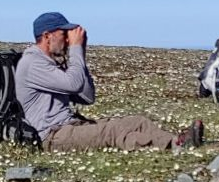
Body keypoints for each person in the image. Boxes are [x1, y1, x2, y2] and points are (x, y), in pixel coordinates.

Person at [16, 12, 203, 151]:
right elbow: (73, 84)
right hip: (52, 136)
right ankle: (175, 145)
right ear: (47, 36)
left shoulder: (49, 63)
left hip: (68, 126)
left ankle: (178, 141)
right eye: (63, 33)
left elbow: (87, 97)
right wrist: (75, 49)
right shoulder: (33, 63)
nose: (67, 38)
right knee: (113, 132)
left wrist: (81, 52)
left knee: (138, 122)